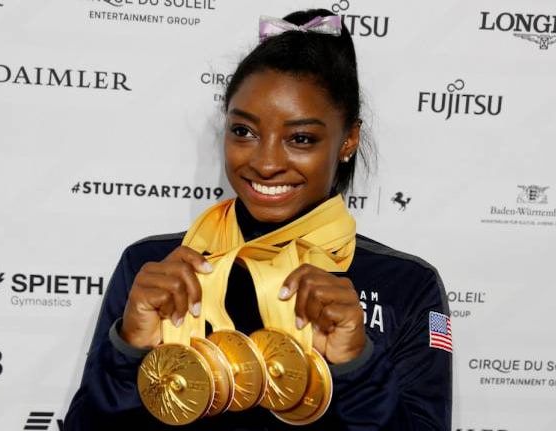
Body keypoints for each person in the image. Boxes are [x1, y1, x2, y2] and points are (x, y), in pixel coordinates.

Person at [65, 8, 451, 430]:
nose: (266, 163)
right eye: (244, 132)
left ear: (349, 140)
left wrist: (357, 365)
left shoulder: (407, 285)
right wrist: (128, 349)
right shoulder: (154, 266)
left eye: (300, 138)